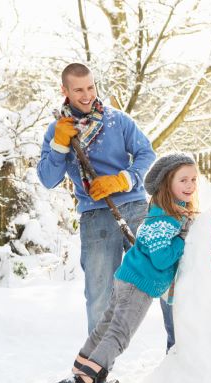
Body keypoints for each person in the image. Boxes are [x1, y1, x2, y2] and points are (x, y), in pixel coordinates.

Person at [54, 153, 198, 383]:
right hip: (138, 285)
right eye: (183, 180)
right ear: (167, 184)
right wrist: (183, 238)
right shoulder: (164, 221)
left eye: (193, 179)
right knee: (119, 335)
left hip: (128, 279)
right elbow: (161, 259)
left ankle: (80, 368)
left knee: (105, 327)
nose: (190, 185)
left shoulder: (165, 214)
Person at [38, 63, 156, 333]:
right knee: (99, 295)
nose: (87, 95)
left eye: (90, 87)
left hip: (134, 206)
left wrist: (122, 179)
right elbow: (47, 179)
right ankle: (97, 370)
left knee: (162, 271)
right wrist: (58, 146)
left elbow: (146, 154)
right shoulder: (58, 131)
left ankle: (179, 350)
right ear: (64, 90)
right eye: (78, 90)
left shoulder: (118, 120)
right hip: (95, 217)